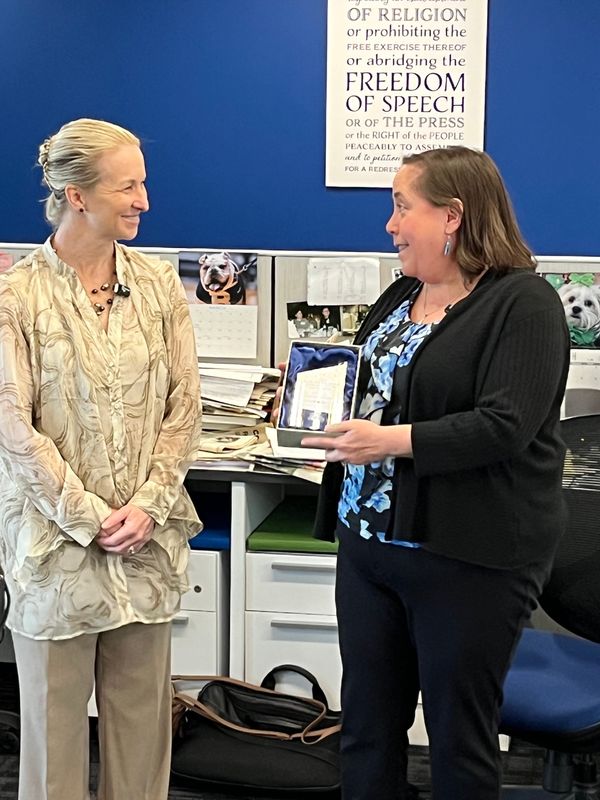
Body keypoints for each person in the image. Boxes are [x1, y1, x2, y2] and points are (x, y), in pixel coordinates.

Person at [301, 146, 570, 800]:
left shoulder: (523, 303)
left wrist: (385, 440)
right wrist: (325, 427)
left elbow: (503, 425)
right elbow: (373, 389)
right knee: (365, 727)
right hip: (369, 547)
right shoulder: (401, 294)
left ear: (452, 217)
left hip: (466, 556)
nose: (390, 225)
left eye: (401, 206)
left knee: (457, 740)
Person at [0, 118, 202, 800]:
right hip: (55, 555)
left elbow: (185, 409)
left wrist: (146, 507)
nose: (144, 198)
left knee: (142, 740)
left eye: (142, 182)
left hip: (144, 550)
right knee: (54, 745)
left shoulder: (158, 286)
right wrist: (90, 517)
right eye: (129, 185)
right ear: (79, 196)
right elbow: (13, 430)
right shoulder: (15, 296)